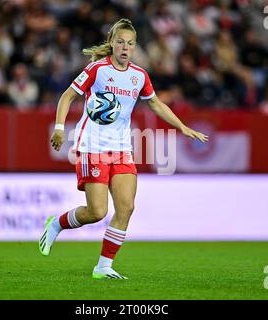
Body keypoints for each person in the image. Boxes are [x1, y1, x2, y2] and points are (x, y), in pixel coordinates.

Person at [39, 18, 208, 279]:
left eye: (130, 43)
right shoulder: (97, 69)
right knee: (97, 212)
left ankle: (103, 267)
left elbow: (156, 104)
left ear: (135, 47)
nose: (125, 47)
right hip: (92, 146)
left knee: (126, 208)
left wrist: (183, 127)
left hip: (121, 149)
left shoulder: (139, 76)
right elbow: (67, 96)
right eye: (120, 42)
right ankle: (56, 225)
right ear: (112, 43)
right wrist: (60, 128)